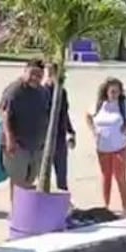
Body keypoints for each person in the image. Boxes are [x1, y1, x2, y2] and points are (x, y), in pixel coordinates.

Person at [86, 77, 126, 217]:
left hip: (120, 147)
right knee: (106, 177)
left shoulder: (123, 104)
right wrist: (93, 130)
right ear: (106, 91)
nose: (114, 94)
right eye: (112, 91)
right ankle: (106, 206)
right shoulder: (99, 104)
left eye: (117, 91)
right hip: (102, 148)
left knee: (120, 177)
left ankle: (125, 207)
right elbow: (88, 116)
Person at [0, 59, 49, 206]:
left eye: (39, 75)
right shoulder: (14, 90)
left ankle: (23, 207)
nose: (35, 77)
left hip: (36, 144)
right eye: (32, 73)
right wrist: (10, 139)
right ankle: (16, 210)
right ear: (25, 70)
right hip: (17, 144)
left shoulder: (42, 91)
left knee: (29, 179)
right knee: (17, 179)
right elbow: (5, 114)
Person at [43, 62, 77, 191]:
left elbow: (64, 113)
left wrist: (71, 131)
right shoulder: (42, 92)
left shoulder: (62, 92)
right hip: (44, 138)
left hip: (60, 137)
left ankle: (64, 203)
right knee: (43, 175)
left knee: (62, 175)